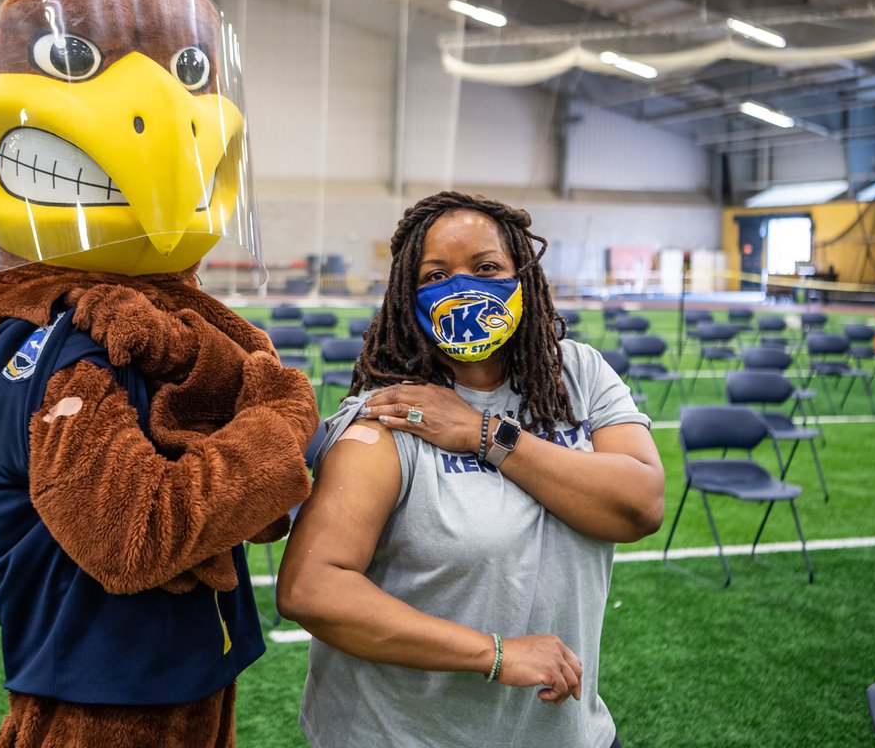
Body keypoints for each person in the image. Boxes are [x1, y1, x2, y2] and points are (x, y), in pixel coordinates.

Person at [0, 0, 317, 747]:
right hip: (103, 693)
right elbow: (134, 536)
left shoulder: (149, 323)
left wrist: (210, 373)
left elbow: (254, 513)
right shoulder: (60, 343)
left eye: (189, 73)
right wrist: (282, 424)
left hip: (183, 663)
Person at [277, 190, 665, 748]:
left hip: (565, 733)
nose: (463, 288)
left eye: (486, 267)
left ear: (523, 277)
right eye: (436, 275)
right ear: (406, 294)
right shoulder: (392, 414)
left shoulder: (576, 374)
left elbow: (640, 506)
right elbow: (310, 588)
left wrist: (485, 436)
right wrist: (496, 653)